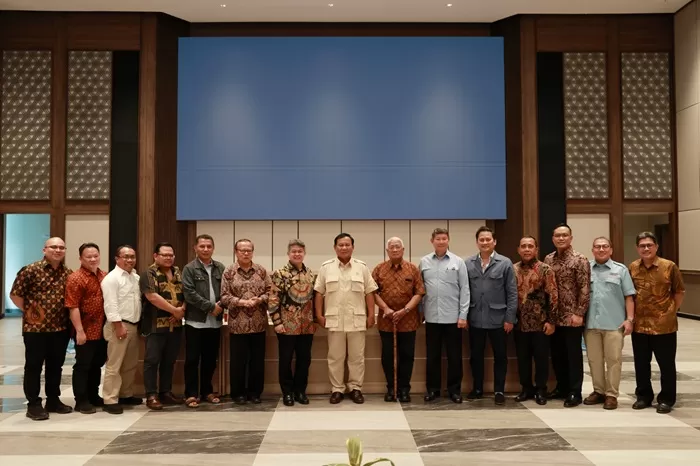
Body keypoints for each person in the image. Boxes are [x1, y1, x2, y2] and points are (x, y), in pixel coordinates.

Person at [10, 237, 73, 420]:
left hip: (60, 329)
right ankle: (34, 404)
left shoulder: (67, 273)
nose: (58, 250)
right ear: (44, 250)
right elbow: (15, 295)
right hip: (35, 330)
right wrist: (32, 313)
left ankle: (53, 400)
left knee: (56, 367)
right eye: (53, 247)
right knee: (34, 367)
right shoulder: (30, 270)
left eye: (61, 247)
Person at [315, 233, 378, 404]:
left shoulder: (362, 267)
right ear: (335, 247)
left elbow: (370, 292)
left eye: (347, 245)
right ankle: (337, 389)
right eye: (341, 245)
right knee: (335, 357)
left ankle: (355, 388)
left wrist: (372, 314)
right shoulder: (326, 267)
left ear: (353, 247)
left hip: (357, 320)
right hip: (334, 320)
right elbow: (319, 293)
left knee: (357, 358)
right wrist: (319, 314)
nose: (344, 248)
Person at [629, 231, 685, 414]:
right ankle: (644, 396)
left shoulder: (669, 266)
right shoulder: (633, 267)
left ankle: (666, 399)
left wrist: (670, 312)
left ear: (656, 247)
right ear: (637, 248)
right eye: (642, 246)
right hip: (640, 325)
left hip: (664, 326)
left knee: (666, 364)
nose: (646, 248)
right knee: (641, 363)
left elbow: (679, 292)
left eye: (649, 245)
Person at [465, 226, 517, 405]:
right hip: (475, 318)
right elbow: (464, 292)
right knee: (476, 356)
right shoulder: (468, 263)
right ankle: (477, 388)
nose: (485, 242)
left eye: (488, 239)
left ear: (494, 242)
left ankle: (499, 390)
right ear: (477, 242)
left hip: (499, 319)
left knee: (500, 357)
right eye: (482, 239)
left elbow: (512, 293)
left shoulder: (505, 263)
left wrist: (510, 318)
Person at [583, 237, 635, 410]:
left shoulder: (621, 270)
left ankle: (612, 394)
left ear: (611, 250)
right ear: (592, 250)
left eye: (605, 246)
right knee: (594, 360)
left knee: (614, 360)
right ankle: (598, 391)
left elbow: (629, 296)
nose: (601, 249)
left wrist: (629, 319)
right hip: (591, 324)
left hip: (614, 324)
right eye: (597, 246)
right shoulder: (586, 268)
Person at [372, 237, 425, 403]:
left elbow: (419, 293)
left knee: (407, 355)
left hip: (408, 320)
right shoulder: (379, 269)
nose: (394, 250)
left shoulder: (412, 269)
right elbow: (372, 292)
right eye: (391, 248)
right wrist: (385, 309)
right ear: (387, 251)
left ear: (403, 250)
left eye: (397, 247)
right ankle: (391, 388)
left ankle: (404, 389)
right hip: (386, 321)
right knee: (388, 356)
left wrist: (405, 310)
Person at [420, 228, 470, 403]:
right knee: (432, 356)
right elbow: (420, 291)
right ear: (432, 241)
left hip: (453, 318)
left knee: (454, 357)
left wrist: (463, 315)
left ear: (448, 241)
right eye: (438, 239)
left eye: (444, 238)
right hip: (432, 318)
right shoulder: (424, 262)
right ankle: (432, 390)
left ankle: (454, 390)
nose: (441, 241)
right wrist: (420, 314)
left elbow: (465, 289)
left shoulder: (458, 262)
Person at [220, 239, 272, 404]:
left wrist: (259, 299)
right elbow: (224, 297)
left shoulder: (261, 271)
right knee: (238, 362)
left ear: (252, 252)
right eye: (242, 250)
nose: (246, 253)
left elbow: (270, 292)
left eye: (249, 250)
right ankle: (238, 394)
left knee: (257, 362)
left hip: (258, 324)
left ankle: (255, 393)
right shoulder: (229, 272)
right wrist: (242, 302)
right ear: (236, 252)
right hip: (238, 325)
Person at [544, 224, 591, 407]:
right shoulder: (548, 259)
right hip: (554, 317)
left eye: (564, 235)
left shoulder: (580, 259)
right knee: (557, 355)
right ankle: (561, 387)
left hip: (572, 317)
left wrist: (579, 313)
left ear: (571, 238)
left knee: (573, 355)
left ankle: (574, 392)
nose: (561, 238)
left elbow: (585, 288)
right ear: (553, 238)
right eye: (557, 235)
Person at [269, 239, 316, 406]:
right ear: (288, 254)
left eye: (300, 251)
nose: (297, 254)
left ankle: (300, 391)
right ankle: (287, 392)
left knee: (305, 360)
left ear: (304, 253)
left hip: (307, 326)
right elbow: (273, 299)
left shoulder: (310, 274)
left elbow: (314, 299)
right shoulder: (280, 274)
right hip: (286, 326)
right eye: (294, 251)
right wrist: (277, 322)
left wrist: (315, 320)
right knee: (286, 359)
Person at [140, 242, 186, 410]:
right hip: (155, 325)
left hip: (176, 325)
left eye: (171, 255)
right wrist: (174, 310)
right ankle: (151, 395)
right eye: (165, 255)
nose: (168, 258)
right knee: (152, 361)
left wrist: (181, 310)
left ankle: (165, 392)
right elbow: (152, 297)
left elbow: (187, 292)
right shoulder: (148, 273)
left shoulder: (178, 272)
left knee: (169, 361)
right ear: (155, 256)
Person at [181, 234, 225, 408]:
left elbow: (226, 290)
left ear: (213, 248)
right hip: (195, 322)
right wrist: (209, 307)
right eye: (202, 246)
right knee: (192, 359)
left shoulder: (220, 267)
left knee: (210, 359)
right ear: (195, 248)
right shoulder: (189, 268)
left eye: (209, 246)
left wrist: (220, 304)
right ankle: (191, 393)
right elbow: (189, 293)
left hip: (215, 323)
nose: (206, 249)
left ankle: (207, 390)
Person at [513, 236, 557, 405]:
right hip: (519, 323)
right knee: (522, 359)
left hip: (541, 323)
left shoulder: (545, 269)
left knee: (541, 359)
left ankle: (540, 390)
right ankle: (526, 388)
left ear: (536, 249)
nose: (526, 249)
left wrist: (551, 321)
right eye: (523, 246)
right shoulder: (513, 269)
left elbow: (553, 296)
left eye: (530, 246)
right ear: (518, 249)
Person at [65, 242, 108, 414]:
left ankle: (93, 395)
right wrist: (80, 331)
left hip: (102, 330)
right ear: (80, 258)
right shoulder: (75, 278)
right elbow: (72, 306)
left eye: (95, 256)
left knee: (97, 364)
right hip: (85, 329)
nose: (92, 259)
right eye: (88, 256)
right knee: (83, 365)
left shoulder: (104, 275)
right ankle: (81, 400)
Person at [101, 245, 143, 414]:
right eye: (125, 256)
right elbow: (110, 304)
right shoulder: (112, 279)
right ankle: (110, 399)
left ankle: (126, 394)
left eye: (132, 256)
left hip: (133, 325)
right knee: (114, 365)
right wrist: (118, 325)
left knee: (130, 364)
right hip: (118, 325)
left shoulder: (135, 277)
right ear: (117, 258)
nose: (130, 260)